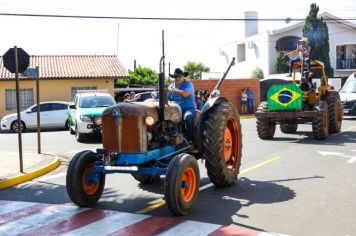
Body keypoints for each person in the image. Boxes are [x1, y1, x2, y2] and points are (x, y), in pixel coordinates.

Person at [168, 68, 196, 146]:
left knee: (188, 116)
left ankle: (189, 140)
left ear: (183, 77)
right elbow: (167, 98)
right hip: (175, 110)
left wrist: (175, 90)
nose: (177, 78)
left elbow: (186, 94)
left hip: (188, 109)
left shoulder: (188, 84)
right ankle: (172, 139)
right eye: (175, 77)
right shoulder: (171, 86)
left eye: (179, 76)